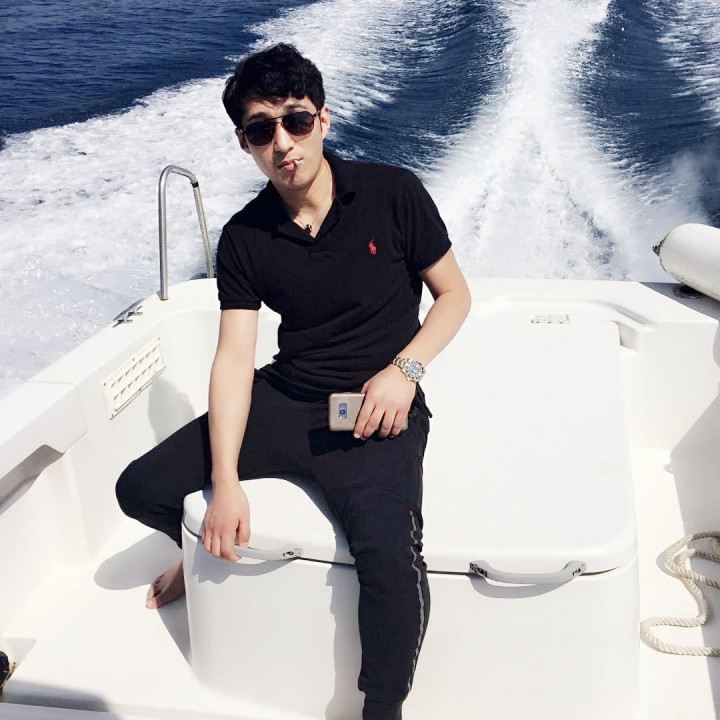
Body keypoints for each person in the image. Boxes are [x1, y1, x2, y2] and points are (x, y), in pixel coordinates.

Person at [116, 43, 470, 720]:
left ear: (323, 119)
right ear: (245, 142)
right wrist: (223, 483)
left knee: (389, 559)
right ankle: (193, 555)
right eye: (261, 129)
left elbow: (454, 295)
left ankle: (382, 708)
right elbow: (233, 358)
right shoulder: (245, 237)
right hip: (289, 396)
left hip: (374, 404)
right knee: (141, 487)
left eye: (296, 120)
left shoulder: (393, 193)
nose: (282, 143)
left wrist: (404, 372)